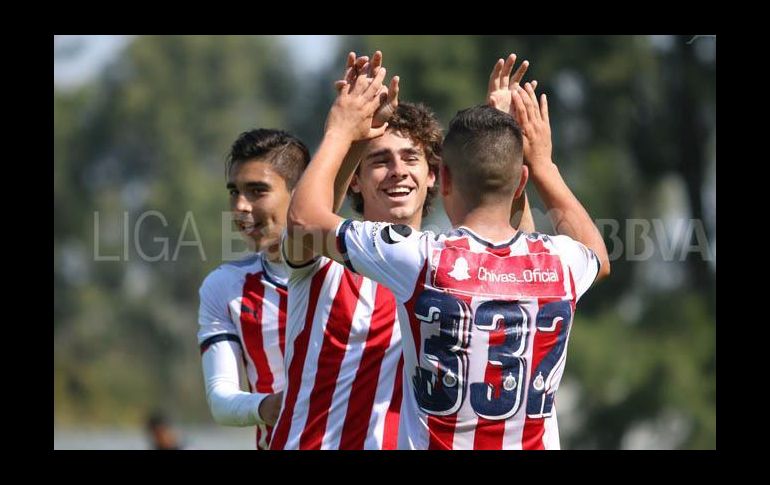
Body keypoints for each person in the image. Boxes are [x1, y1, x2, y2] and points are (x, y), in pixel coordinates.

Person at [286, 55, 610, 449]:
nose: (398, 171)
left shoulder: (422, 258)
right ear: (521, 180)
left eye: (410, 159)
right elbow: (595, 253)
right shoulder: (558, 262)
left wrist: (340, 130)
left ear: (441, 178)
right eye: (381, 161)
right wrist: (540, 162)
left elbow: (304, 219)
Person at [196, 128, 309, 450]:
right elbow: (221, 398)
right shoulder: (224, 287)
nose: (240, 207)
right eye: (234, 192)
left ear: (301, 192)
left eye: (257, 191)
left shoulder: (356, 272)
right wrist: (269, 406)